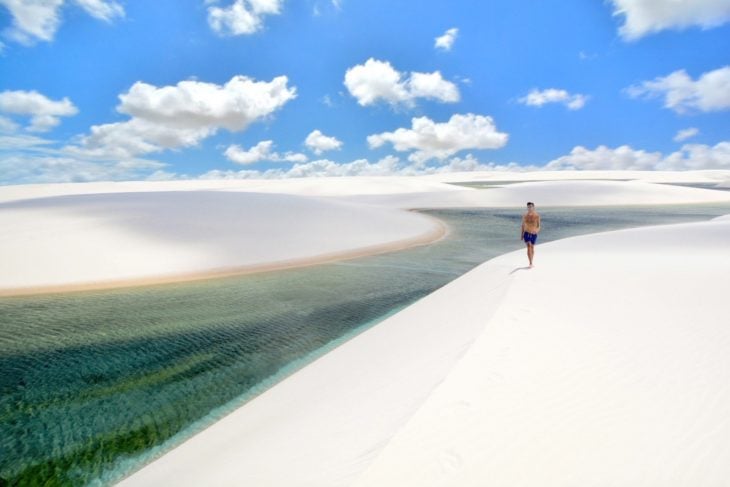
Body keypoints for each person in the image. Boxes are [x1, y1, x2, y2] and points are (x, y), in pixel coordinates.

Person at [520, 202, 540, 267]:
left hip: (534, 234)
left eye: (531, 207)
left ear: (533, 207)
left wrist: (537, 231)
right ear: (527, 208)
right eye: (528, 207)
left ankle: (532, 260)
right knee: (529, 246)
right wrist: (522, 235)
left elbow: (539, 225)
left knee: (532, 247)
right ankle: (530, 263)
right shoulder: (525, 216)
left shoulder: (537, 215)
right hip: (526, 232)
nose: (530, 208)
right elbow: (523, 225)